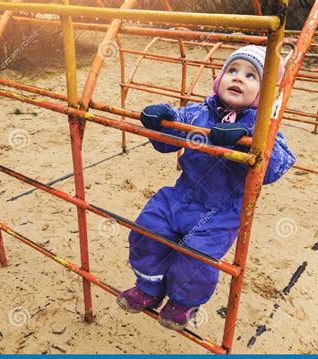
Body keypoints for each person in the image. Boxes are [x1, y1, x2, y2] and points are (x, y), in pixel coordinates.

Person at [116, 45, 296, 331]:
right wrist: (161, 119)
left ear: (263, 94)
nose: (238, 78)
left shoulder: (262, 126)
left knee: (195, 255)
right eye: (232, 70)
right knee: (147, 230)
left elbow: (276, 165)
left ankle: (183, 302)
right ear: (219, 78)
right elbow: (172, 132)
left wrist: (247, 139)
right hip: (182, 194)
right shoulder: (200, 112)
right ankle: (149, 287)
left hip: (221, 209)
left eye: (251, 76)